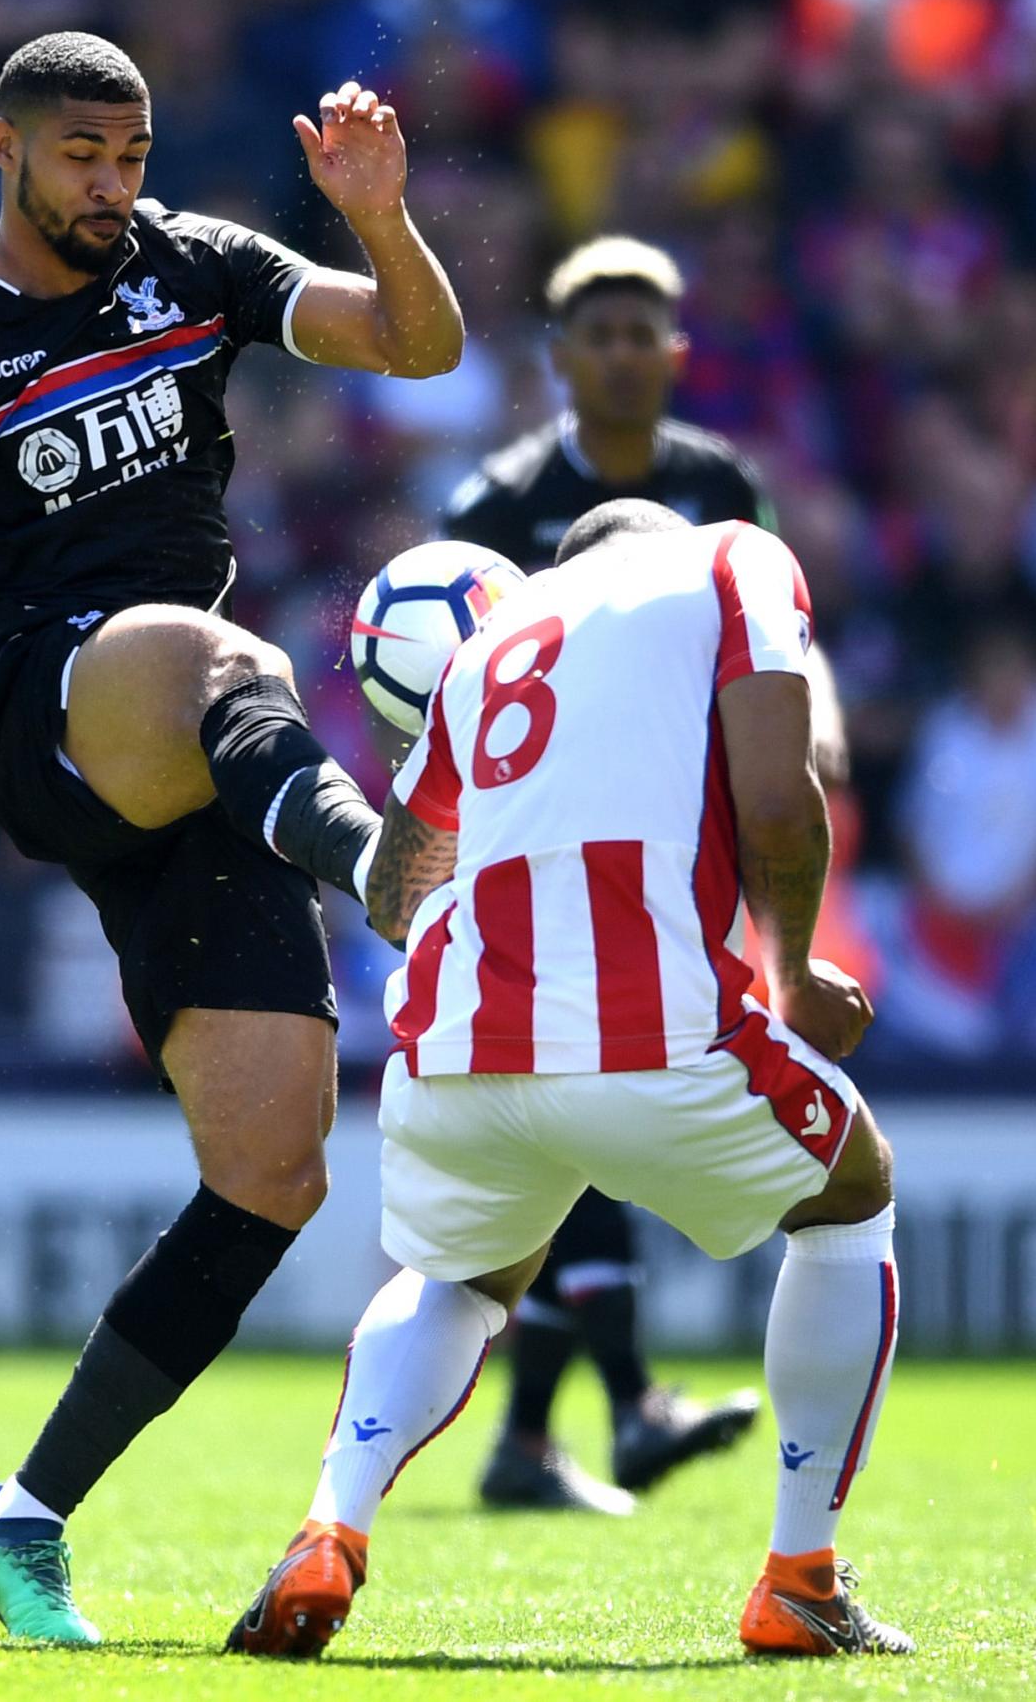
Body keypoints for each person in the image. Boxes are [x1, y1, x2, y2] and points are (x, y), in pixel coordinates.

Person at [0, 32, 464, 1643]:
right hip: (55, 714)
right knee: (230, 653)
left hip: (208, 765)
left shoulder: (192, 264)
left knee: (273, 1171)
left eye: (130, 156)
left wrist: (380, 213)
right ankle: (385, 866)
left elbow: (415, 346)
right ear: (6, 146)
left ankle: (20, 1519)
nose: (112, 188)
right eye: (82, 157)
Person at [227, 500, 909, 1661]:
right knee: (851, 1197)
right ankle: (800, 1578)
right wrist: (792, 974)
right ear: (660, 537)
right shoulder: (729, 558)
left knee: (460, 1277)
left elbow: (394, 893)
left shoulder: (489, 642)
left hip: (459, 1041)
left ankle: (330, 1524)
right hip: (651, 1030)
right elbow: (782, 799)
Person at [440, 236, 784, 1513]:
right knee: (591, 1108)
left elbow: (770, 646)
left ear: (678, 352)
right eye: (604, 335)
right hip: (546, 856)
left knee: (581, 1124)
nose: (628, 355)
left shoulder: (720, 483)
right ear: (563, 357)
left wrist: (813, 729)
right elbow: (442, 681)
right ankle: (624, 1403)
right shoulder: (494, 506)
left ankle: (532, 1441)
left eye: (649, 334)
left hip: (682, 846)